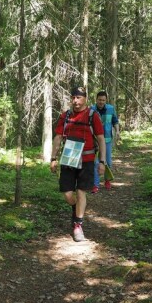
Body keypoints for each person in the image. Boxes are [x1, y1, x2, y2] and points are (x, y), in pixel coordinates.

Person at [50, 84, 106, 242]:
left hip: (87, 160)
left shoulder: (92, 115)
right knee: (68, 194)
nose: (75, 101)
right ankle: (76, 209)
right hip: (68, 159)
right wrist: (53, 158)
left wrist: (102, 162)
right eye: (73, 97)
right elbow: (58, 138)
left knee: (81, 192)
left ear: (85, 99)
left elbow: (101, 138)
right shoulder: (65, 116)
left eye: (79, 97)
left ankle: (78, 225)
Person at [91, 91, 120, 193]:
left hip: (107, 140)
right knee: (95, 162)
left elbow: (115, 121)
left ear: (106, 100)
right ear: (96, 99)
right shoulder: (91, 110)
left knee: (107, 161)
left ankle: (107, 180)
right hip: (94, 141)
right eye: (99, 100)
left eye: (103, 100)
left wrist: (117, 131)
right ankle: (95, 184)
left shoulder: (111, 109)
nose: (101, 102)